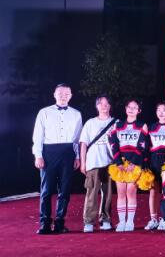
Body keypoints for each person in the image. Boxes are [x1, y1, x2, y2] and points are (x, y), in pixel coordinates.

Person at [32, 83, 83, 234]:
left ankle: (60, 223)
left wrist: (77, 156)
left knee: (65, 190)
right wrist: (38, 156)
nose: (63, 96)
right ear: (54, 94)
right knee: (46, 190)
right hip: (49, 152)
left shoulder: (76, 114)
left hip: (68, 152)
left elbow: (77, 138)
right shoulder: (44, 112)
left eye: (66, 94)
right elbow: (38, 135)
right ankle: (45, 224)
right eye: (60, 93)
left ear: (71, 96)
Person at [108, 100, 152, 232]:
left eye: (135, 107)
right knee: (121, 193)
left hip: (135, 163)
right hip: (120, 164)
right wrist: (119, 162)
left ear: (139, 111)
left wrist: (134, 162)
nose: (131, 109)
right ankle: (121, 222)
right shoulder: (117, 125)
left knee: (131, 192)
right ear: (126, 108)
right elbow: (114, 144)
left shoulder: (142, 125)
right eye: (129, 107)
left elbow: (143, 146)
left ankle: (130, 222)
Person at [78, 95, 115, 232]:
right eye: (101, 103)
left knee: (108, 194)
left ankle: (105, 219)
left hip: (110, 163)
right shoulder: (90, 123)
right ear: (96, 106)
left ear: (110, 106)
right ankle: (88, 221)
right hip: (93, 162)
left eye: (106, 104)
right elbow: (83, 144)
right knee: (91, 193)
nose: (104, 106)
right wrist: (83, 163)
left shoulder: (116, 123)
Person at [145, 101, 165, 231]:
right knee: (153, 190)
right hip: (154, 161)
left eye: (164, 110)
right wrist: (146, 163)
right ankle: (153, 219)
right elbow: (146, 146)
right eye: (158, 110)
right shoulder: (151, 127)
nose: (161, 113)